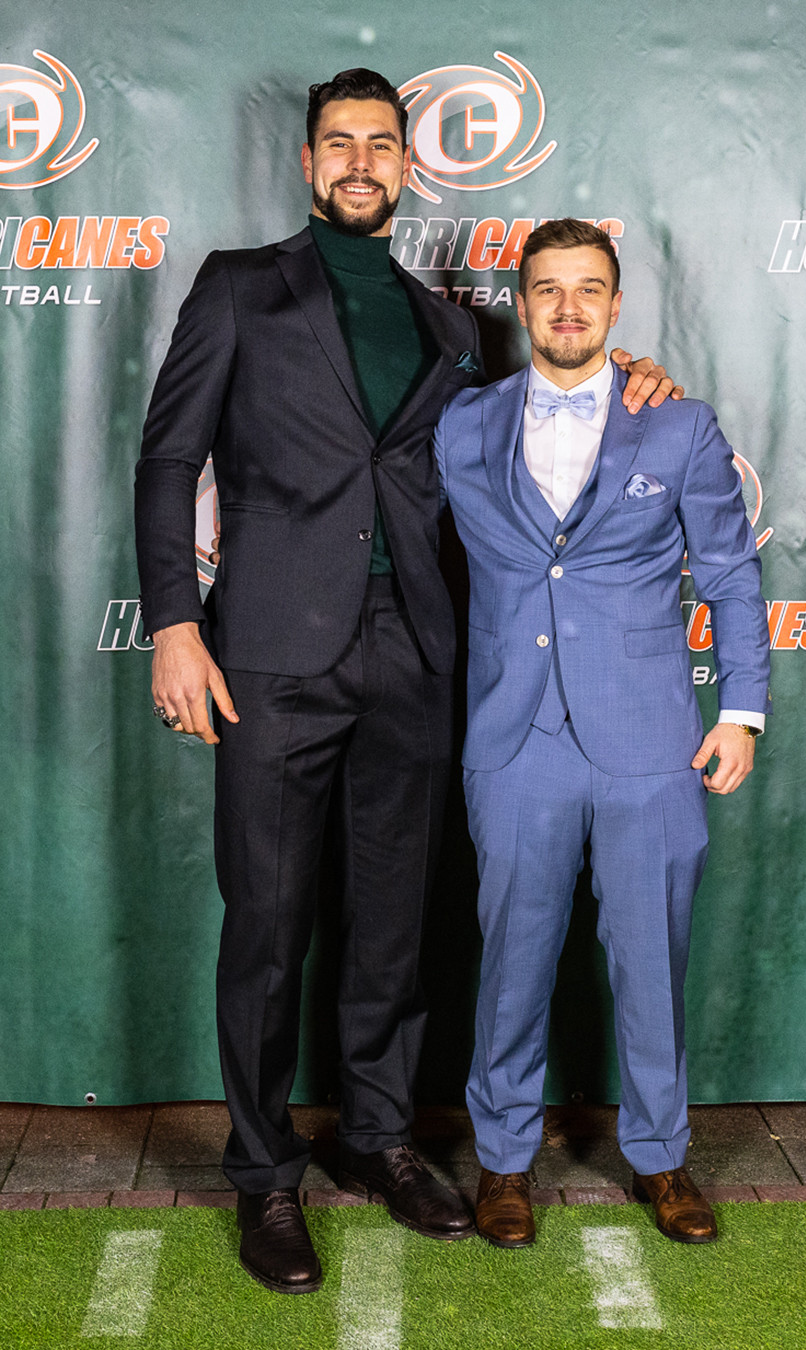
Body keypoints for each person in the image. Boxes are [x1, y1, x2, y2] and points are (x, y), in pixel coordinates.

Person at [135, 69, 678, 1295]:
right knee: (267, 926)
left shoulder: (455, 327)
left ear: (407, 165)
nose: (360, 162)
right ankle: (266, 1172)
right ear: (309, 162)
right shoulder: (240, 286)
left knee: (393, 922)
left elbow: (547, 409)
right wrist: (174, 621)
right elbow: (169, 459)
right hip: (268, 651)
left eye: (382, 144)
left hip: (418, 652)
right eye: (340, 143)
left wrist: (635, 377)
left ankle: (376, 1137)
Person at [433, 218, 771, 1250]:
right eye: (548, 288)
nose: (569, 306)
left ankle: (662, 1157)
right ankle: (503, 1162)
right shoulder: (462, 424)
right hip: (514, 738)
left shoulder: (679, 424)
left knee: (651, 961)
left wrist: (742, 711)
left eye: (589, 289)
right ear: (521, 304)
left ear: (617, 306)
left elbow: (730, 573)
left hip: (650, 740)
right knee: (512, 961)